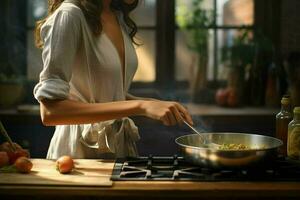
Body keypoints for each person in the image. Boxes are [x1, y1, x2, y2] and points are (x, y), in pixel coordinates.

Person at [34, 0, 193, 159]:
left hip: (119, 148)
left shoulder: (116, 16)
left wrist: (153, 104)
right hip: (78, 154)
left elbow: (107, 93)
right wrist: (141, 106)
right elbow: (51, 112)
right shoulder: (69, 15)